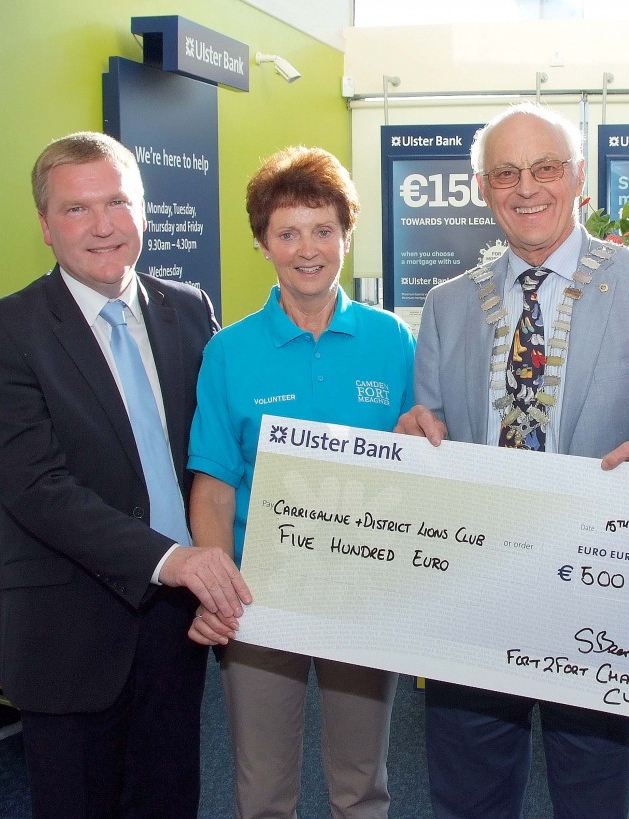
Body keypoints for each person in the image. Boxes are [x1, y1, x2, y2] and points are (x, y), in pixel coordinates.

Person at [394, 102, 629, 818]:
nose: (526, 187)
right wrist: (413, 441)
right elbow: (429, 432)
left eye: (546, 167)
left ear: (580, 178)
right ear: (482, 187)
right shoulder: (444, 306)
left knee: (593, 797)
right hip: (474, 590)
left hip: (601, 593)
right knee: (469, 797)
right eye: (506, 172)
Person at [0, 131, 251, 818]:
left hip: (177, 623)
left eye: (118, 202)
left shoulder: (190, 310)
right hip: (69, 628)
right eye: (76, 209)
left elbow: (225, 445)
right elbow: (38, 489)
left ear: (144, 211)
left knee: (170, 798)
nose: (102, 226)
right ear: (43, 225)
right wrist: (173, 558)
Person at [187, 145, 415, 819]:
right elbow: (214, 485)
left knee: (361, 783)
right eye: (287, 232)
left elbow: (418, 464)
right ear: (263, 242)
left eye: (323, 230)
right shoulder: (228, 350)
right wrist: (219, 586)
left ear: (347, 235)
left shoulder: (392, 339)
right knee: (262, 788)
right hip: (261, 592)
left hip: (365, 589)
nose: (307, 249)